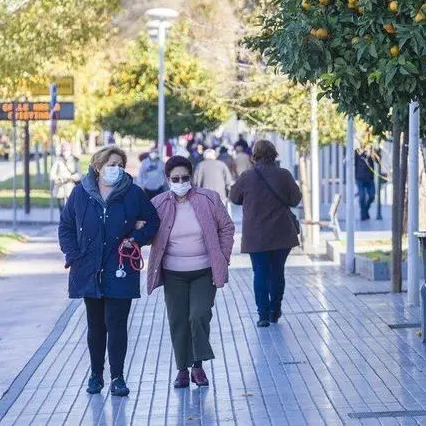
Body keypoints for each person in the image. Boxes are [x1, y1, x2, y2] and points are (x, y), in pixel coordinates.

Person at [58, 145, 160, 397]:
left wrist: (135, 238)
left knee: (116, 324)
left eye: (120, 165)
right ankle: (95, 374)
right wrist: (73, 254)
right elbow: (66, 226)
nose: (116, 169)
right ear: (98, 166)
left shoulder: (133, 194)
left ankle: (117, 377)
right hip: (89, 268)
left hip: (120, 267)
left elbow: (154, 221)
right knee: (95, 326)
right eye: (111, 164)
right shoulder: (80, 194)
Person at [147, 156, 235, 389]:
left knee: (198, 316)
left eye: (185, 177)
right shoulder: (158, 204)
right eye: (175, 178)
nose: (181, 182)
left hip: (203, 270)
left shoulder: (209, 199)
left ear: (192, 177)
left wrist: (223, 257)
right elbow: (146, 229)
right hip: (173, 272)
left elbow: (226, 227)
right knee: (178, 320)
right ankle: (183, 370)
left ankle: (198, 365)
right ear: (168, 179)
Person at [230, 140, 302, 327]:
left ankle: (262, 315)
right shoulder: (284, 175)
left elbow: (234, 198)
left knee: (260, 273)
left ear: (255, 155)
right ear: (274, 154)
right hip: (282, 233)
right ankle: (274, 310)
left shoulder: (247, 177)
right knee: (278, 273)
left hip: (256, 235)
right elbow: (295, 199)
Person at [50, 142, 81, 210]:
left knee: (71, 210)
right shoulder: (57, 160)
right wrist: (59, 178)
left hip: (71, 188)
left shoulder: (75, 160)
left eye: (67, 149)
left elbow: (79, 174)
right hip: (60, 188)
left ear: (70, 150)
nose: (65, 151)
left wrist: (71, 177)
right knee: (62, 210)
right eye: (64, 149)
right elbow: (52, 174)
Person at [355, 146, 376, 221]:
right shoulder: (356, 151)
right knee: (362, 197)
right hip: (359, 178)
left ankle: (365, 211)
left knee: (372, 196)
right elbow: (353, 163)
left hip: (370, 178)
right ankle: (363, 213)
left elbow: (378, 159)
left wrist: (374, 151)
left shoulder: (371, 149)